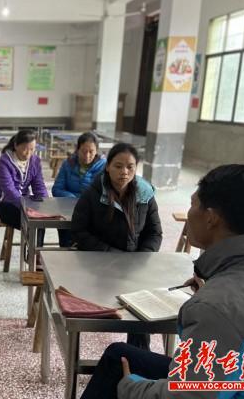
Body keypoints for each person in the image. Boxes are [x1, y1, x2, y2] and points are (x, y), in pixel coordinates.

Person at [81, 164, 244, 399]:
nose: (189, 213)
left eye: (193, 204)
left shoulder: (216, 308)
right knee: (117, 355)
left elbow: (190, 396)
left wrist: (131, 387)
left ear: (211, 218)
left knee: (119, 370)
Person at [69, 142, 162, 350]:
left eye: (130, 166)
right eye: (118, 166)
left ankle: (137, 358)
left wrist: (141, 257)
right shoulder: (93, 192)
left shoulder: (145, 194)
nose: (124, 172)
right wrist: (111, 255)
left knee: (141, 313)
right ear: (108, 166)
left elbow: (154, 232)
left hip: (133, 266)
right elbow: (79, 230)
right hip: (97, 266)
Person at [0, 129, 49, 253]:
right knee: (33, 223)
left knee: (41, 221)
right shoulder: (4, 161)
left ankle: (35, 256)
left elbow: (39, 184)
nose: (28, 153)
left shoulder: (35, 161)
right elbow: (9, 190)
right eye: (25, 149)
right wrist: (26, 207)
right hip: (7, 205)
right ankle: (33, 256)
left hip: (26, 203)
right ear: (15, 145)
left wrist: (45, 203)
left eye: (32, 149)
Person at [52, 131, 106, 247]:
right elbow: (56, 189)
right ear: (77, 149)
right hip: (68, 209)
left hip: (93, 210)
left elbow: (105, 193)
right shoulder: (68, 164)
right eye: (83, 151)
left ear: (97, 151)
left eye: (91, 152)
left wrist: (84, 201)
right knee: (65, 230)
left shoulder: (104, 167)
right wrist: (72, 198)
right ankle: (66, 249)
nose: (87, 155)